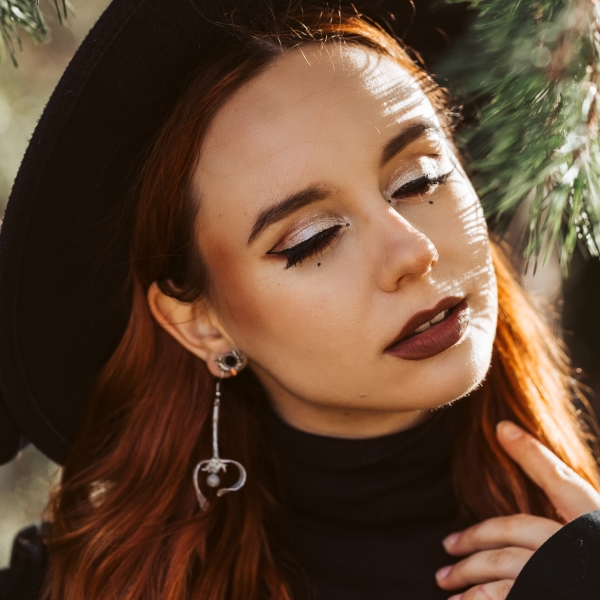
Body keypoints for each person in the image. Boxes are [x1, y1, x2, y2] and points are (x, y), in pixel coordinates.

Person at [1, 1, 600, 599]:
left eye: (420, 179)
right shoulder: (78, 585)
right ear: (202, 325)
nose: (413, 251)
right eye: (314, 239)